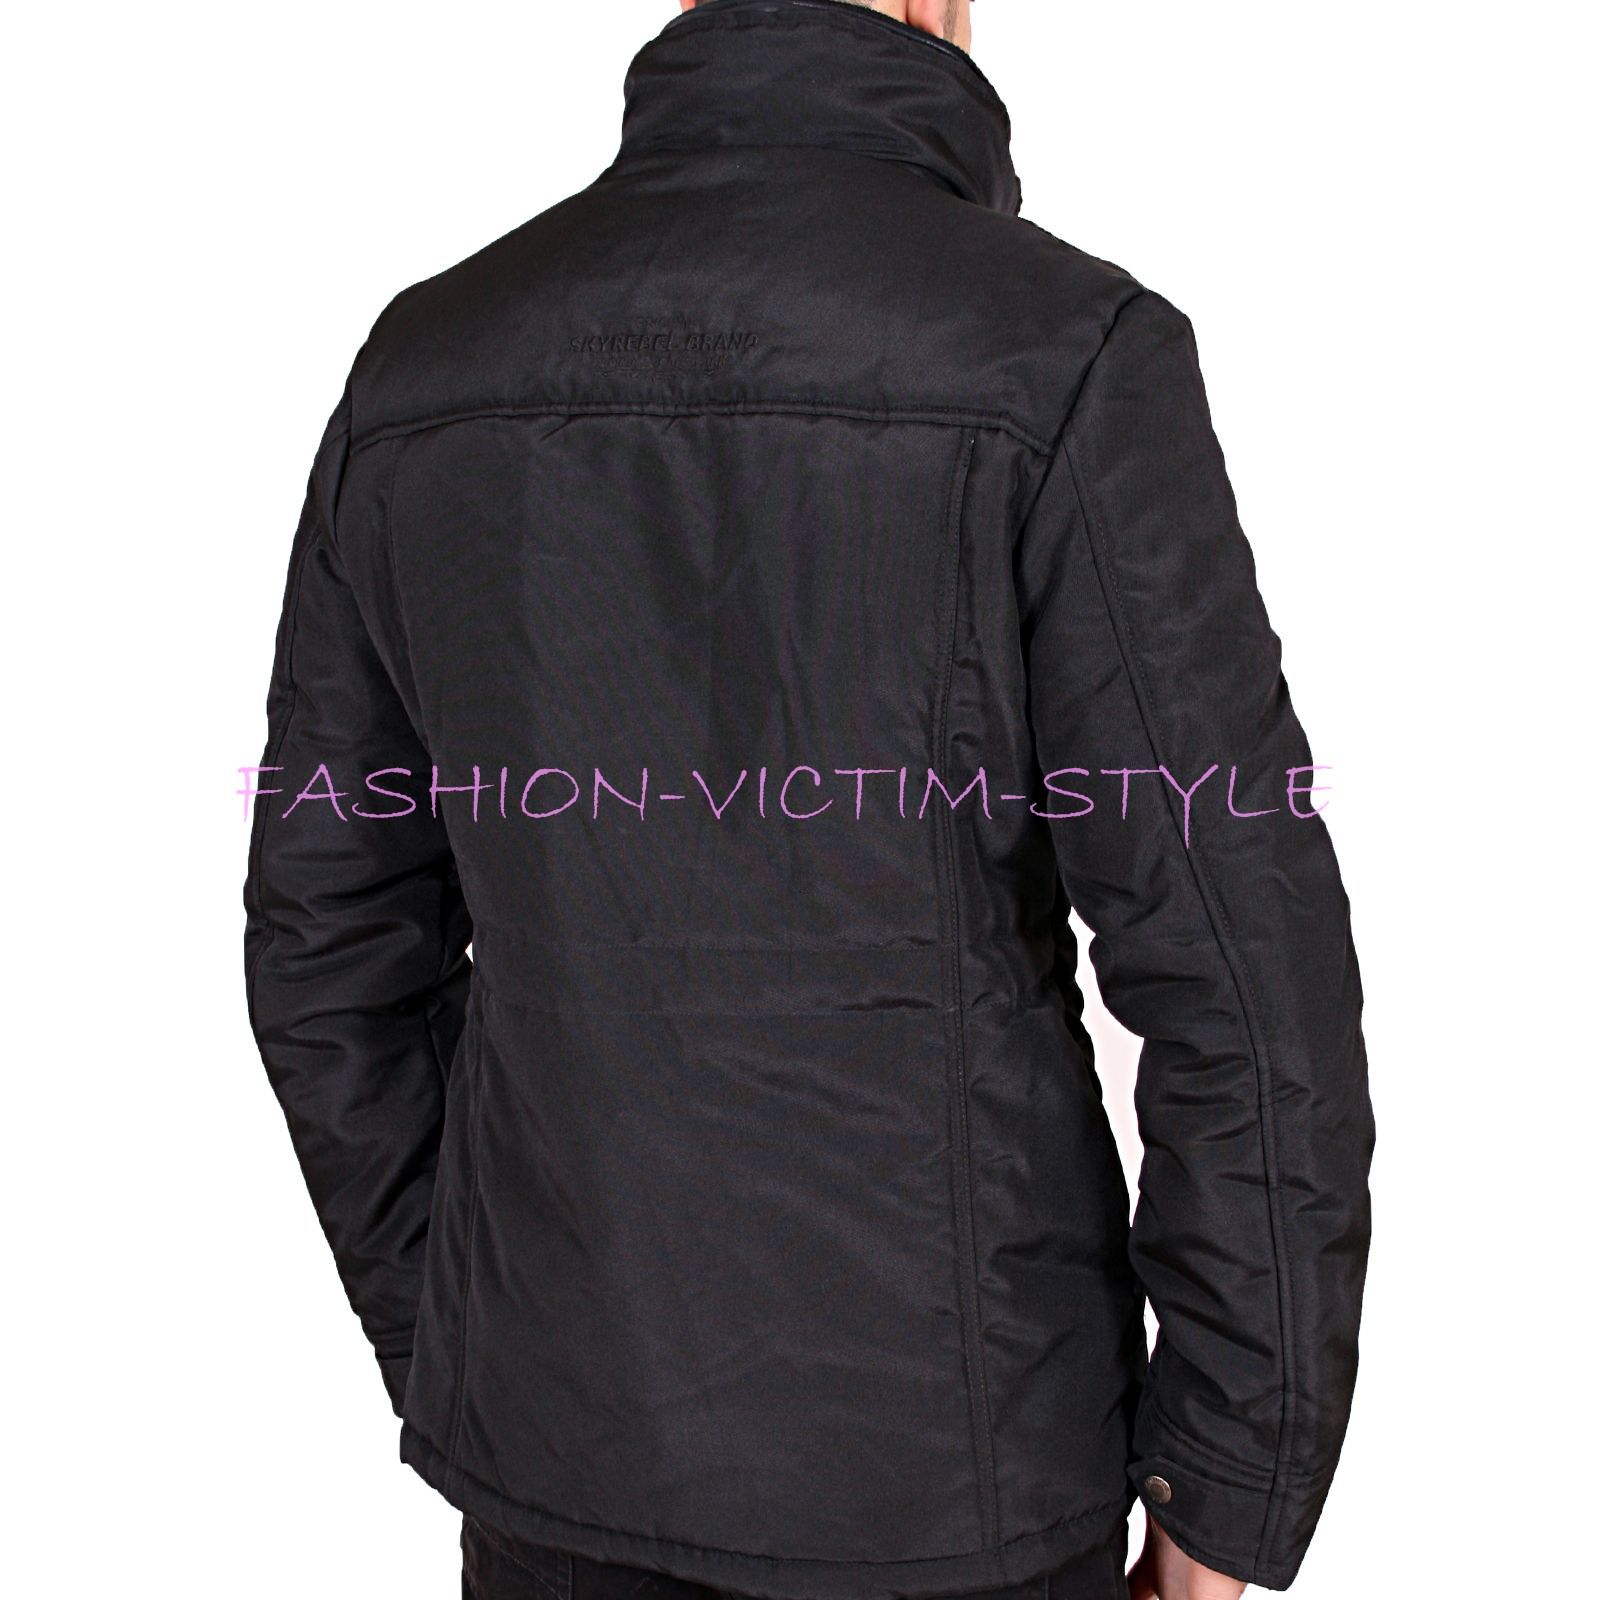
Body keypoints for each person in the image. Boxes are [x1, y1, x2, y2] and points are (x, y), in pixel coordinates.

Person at [242, 2, 1374, 1596]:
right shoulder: (1062, 355)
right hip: (960, 1498)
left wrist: (483, 1347)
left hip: (558, 1479)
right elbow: (1245, 977)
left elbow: (325, 948)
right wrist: (1221, 1482)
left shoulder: (426, 369)